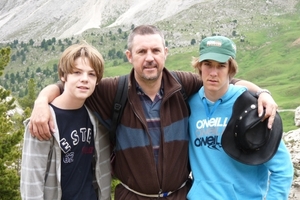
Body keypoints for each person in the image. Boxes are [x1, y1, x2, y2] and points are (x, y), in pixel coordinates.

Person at [28, 25, 278, 199]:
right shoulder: (112, 91)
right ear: (129, 56)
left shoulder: (183, 84)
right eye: (141, 51)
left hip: (180, 195)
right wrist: (42, 101)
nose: (150, 58)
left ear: (165, 53)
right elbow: (69, 85)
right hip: (132, 196)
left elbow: (225, 82)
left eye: (156, 51)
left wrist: (262, 92)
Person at [187, 36, 293, 199]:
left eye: (221, 66)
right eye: (208, 64)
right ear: (199, 66)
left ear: (230, 69)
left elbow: (283, 169)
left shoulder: (252, 107)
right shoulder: (189, 104)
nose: (213, 73)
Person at [20, 43, 111, 200]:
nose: (84, 79)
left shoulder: (95, 118)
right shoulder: (42, 121)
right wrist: (41, 101)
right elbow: (31, 182)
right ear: (63, 76)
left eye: (91, 74)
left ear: (97, 81)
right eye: (77, 72)